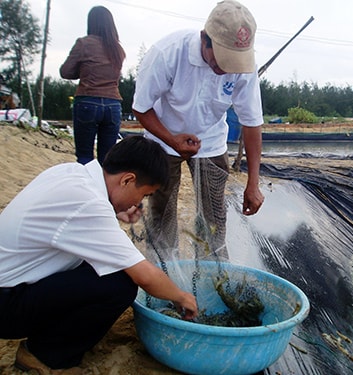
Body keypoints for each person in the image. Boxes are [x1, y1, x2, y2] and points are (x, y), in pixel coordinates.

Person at [0, 136, 198, 374]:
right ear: (127, 179)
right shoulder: (89, 203)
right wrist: (181, 297)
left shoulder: (72, 173)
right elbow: (144, 275)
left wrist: (113, 211)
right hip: (6, 307)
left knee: (104, 263)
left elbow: (73, 221)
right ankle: (44, 355)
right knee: (120, 285)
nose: (139, 202)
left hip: (10, 285)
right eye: (144, 195)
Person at [132, 0, 265, 259]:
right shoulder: (168, 53)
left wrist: (253, 183)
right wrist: (171, 139)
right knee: (162, 208)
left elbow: (251, 122)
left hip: (212, 142)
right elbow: (141, 107)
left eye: (233, 62)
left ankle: (212, 271)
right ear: (205, 39)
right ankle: (164, 271)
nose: (226, 68)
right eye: (222, 58)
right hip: (163, 138)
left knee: (214, 214)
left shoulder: (244, 68)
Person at [60, 6, 126, 165]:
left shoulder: (84, 44)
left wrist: (82, 71)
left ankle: (84, 188)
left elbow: (65, 72)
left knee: (84, 158)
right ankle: (103, 190)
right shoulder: (118, 49)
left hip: (87, 101)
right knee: (107, 160)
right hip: (113, 105)